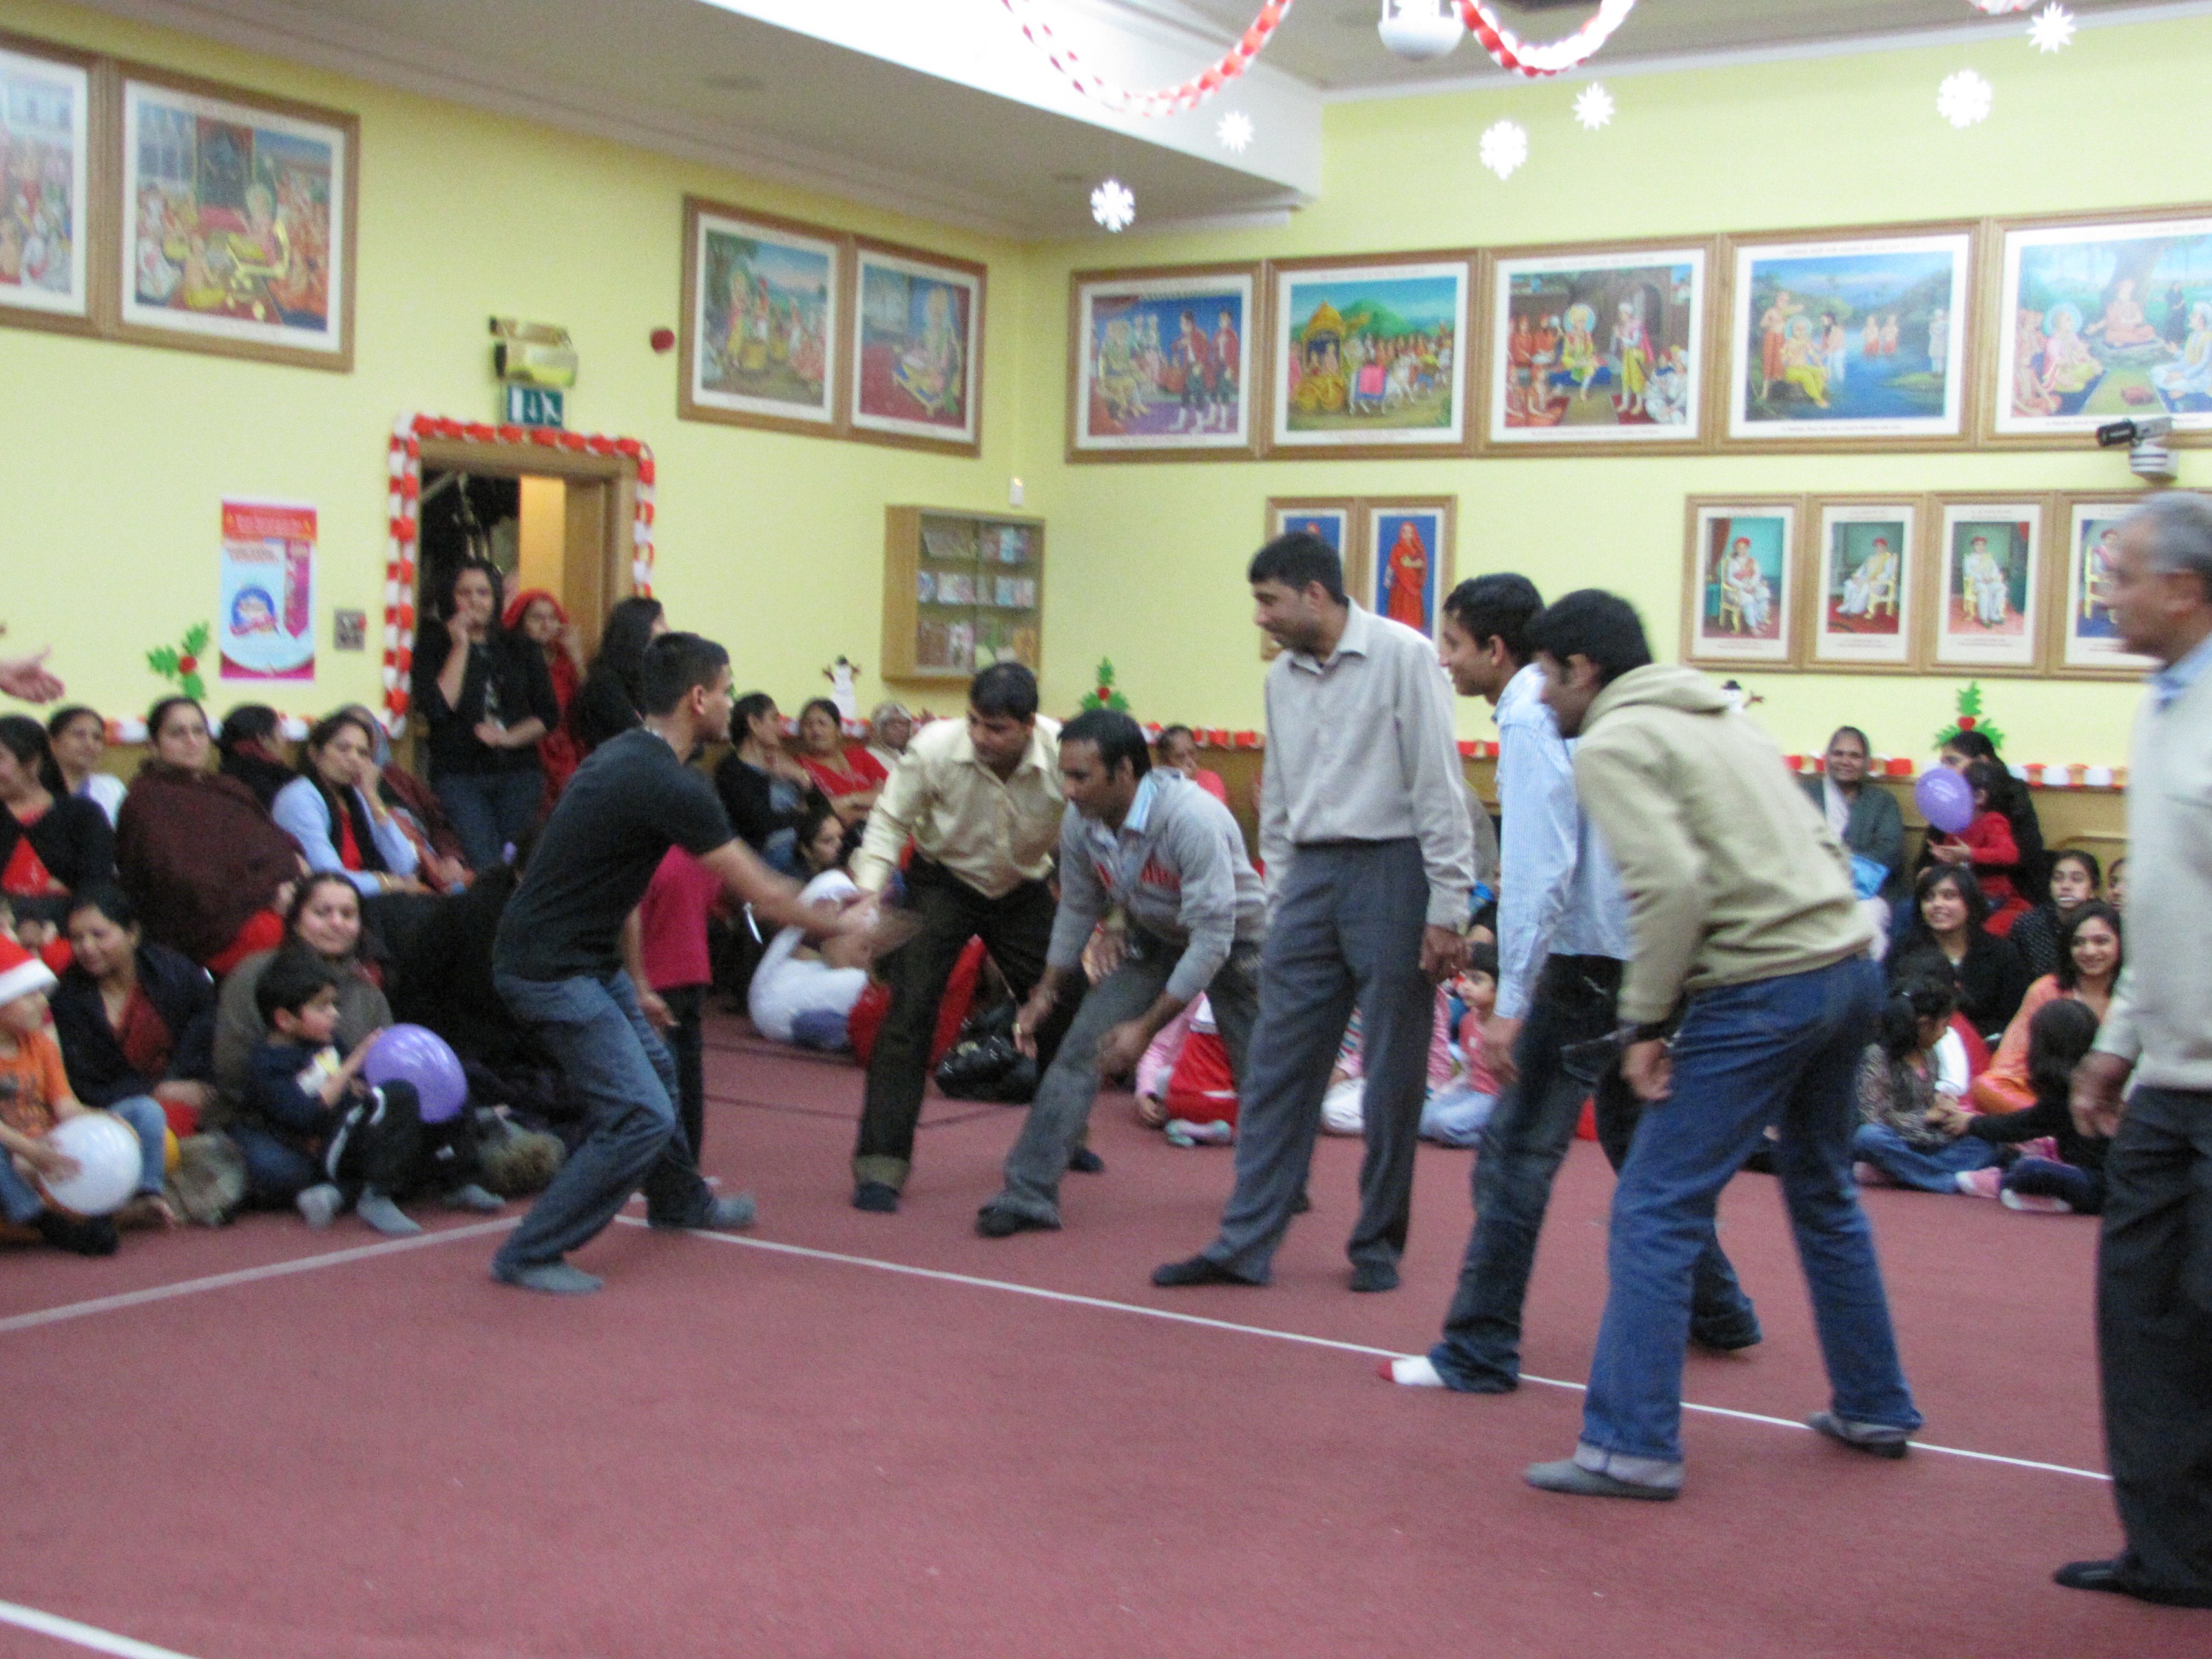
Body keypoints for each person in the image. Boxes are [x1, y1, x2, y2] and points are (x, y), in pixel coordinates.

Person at [1510, 591, 1916, 1501]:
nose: (1538, 695)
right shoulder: (1722, 713)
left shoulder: (1612, 743)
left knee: (1654, 1207)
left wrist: (1646, 1024)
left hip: (1764, 986)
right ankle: (1876, 1405)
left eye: (1543, 673)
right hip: (1848, 966)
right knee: (1823, 1190)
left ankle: (1630, 1447)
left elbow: (1671, 888)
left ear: (1582, 669)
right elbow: (1820, 844)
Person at [1388, 574, 1754, 1394]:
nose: (1444, 661)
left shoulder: (1529, 712)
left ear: (1498, 650)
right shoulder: (1624, 712)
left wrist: (1512, 1004)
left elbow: (1542, 867)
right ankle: (1722, 1310)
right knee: (1633, 1139)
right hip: (1647, 955)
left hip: (1588, 961)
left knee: (1515, 1155)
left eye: (1453, 644)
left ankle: (1479, 1349)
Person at [490, 632, 867, 1294]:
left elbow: (620, 888)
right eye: (726, 690)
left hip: (584, 958)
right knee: (640, 1114)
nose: (731, 703)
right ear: (699, 698)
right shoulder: (664, 781)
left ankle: (678, 1200)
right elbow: (764, 891)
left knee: (660, 1073)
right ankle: (528, 1251)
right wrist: (847, 923)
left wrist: (636, 981)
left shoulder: (630, 758)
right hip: (548, 970)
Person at [1153, 532, 1473, 1295]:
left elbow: (1439, 785)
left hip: (1395, 868)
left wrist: (1448, 906)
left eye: (1269, 601)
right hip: (1309, 877)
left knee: (1392, 1072)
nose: (1260, 617)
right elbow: (1282, 794)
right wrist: (1281, 892)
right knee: (1276, 1062)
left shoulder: (1403, 655)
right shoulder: (1283, 678)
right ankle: (1244, 1243)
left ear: (1316, 595)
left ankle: (1377, 1245)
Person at [2059, 490, 2212, 1607]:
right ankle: (2173, 1554)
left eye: (2121, 576)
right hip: (2166, 1076)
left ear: (2186, 589)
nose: (2106, 594)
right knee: (2144, 1314)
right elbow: (2161, 903)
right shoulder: (2162, 705)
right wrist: (2117, 1039)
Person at [978, 709, 1267, 1237]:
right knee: (1080, 1047)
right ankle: (1028, 1194)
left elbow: (1212, 941)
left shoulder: (1192, 819)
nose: (1068, 790)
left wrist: (1145, 1028)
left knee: (1260, 1072)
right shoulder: (1080, 821)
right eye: (1064, 775)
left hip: (1236, 941)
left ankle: (1277, 1185)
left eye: (1081, 777)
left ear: (1126, 772)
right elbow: (1077, 907)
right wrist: (1046, 991)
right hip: (1155, 936)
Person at [848, 662, 1068, 1214]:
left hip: (1022, 886)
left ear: (1028, 726)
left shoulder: (1064, 752)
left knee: (1066, 1004)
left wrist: (1102, 918)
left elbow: (1094, 831)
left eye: (997, 728)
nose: (981, 736)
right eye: (974, 722)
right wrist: (868, 894)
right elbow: (888, 822)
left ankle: (1064, 1137)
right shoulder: (933, 748)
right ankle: (880, 1163)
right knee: (908, 1012)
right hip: (942, 881)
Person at [0, 936, 173, 1254]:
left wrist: (103, 1120)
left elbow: (65, 1106)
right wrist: (32, 1152)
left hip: (52, 1145)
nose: (42, 1003)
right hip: (15, 1155)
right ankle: (40, 1219)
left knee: (145, 1111)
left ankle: (144, 1196)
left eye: (41, 993)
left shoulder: (41, 1045)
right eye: (29, 995)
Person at [238, 949, 423, 1234]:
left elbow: (357, 1084)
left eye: (334, 1005)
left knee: (409, 1121)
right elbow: (306, 1115)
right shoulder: (269, 1063)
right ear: (285, 1019)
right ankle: (373, 1196)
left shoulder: (327, 1041)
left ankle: (335, 1195)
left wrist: (359, 1081)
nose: (334, 1014)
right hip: (319, 1146)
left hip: (348, 1132)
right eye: (322, 1007)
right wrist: (353, 1063)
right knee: (398, 1098)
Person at [116, 696, 298, 975]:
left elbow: (276, 845)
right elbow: (185, 882)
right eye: (178, 733)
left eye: (199, 731)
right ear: (153, 744)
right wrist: (268, 893)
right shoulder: (145, 801)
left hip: (273, 901)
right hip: (209, 930)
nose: (192, 741)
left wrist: (291, 879)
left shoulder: (228, 789)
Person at [409, 560, 560, 872]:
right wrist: (461, 646)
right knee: (483, 863)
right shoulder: (433, 644)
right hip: (458, 774)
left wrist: (507, 738)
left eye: (483, 593)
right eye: (464, 593)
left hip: (518, 773)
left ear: (496, 599)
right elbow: (437, 706)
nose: (474, 601)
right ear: (451, 597)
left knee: (516, 862)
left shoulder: (521, 646)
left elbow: (548, 714)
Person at [50, 884, 217, 1135]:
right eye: (77, 938)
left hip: (194, 1094)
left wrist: (189, 1085)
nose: (87, 948)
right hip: (117, 1116)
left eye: (99, 935)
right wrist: (157, 1091)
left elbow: (206, 1031)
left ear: (133, 933)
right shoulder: (67, 1001)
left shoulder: (174, 974)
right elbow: (84, 1085)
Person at [1848, 971, 1997, 1192]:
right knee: (1869, 1137)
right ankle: (1950, 1182)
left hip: (1926, 1143)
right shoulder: (1878, 1056)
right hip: (1896, 1140)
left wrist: (1947, 1113)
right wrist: (1927, 1116)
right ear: (1925, 1024)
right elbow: (1874, 1117)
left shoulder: (1931, 1054)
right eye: (1944, 1026)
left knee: (1987, 1140)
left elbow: (1932, 1109)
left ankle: (1896, 1173)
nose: (1945, 1034)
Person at [1955, 998, 2108, 1213]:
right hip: (2100, 1176)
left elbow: (2021, 1125)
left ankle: (2004, 1182)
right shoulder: (2091, 1080)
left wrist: (1971, 1123)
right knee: (2020, 1154)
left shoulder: (2070, 1092)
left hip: (2100, 1185)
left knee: (2031, 1168)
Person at [1969, 901, 2121, 1113]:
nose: (2089, 951)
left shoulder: (2136, 994)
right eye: (2078, 943)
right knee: (1986, 1087)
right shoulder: (2046, 990)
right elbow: (2006, 1068)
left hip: (2115, 1103)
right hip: (2048, 1102)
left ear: (2121, 944)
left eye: (2101, 941)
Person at [271, 709, 428, 901]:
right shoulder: (299, 797)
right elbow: (329, 877)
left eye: (362, 753)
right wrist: (386, 883)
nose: (354, 759)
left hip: (367, 897)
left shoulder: (357, 797)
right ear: (314, 754)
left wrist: (373, 799)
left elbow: (405, 864)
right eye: (343, 748)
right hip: (327, 902)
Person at [748, 805, 869, 1052]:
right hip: (775, 996)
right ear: (806, 847)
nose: (837, 846)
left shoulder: (831, 885)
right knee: (867, 983)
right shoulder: (830, 886)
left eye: (839, 839)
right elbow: (841, 959)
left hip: (779, 993)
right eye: (827, 840)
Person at [0, 714, 116, 937]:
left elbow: (96, 890)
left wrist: (37, 916)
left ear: (32, 763)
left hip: (70, 936)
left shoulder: (83, 815)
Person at [1889, 867, 2029, 1046]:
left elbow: (2013, 1017)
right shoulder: (1905, 949)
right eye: (1929, 898)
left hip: (1987, 1047)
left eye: (1949, 896)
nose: (1937, 904)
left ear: (1970, 902)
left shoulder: (2001, 953)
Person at [714, 693, 820, 876]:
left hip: (803, 851)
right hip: (763, 862)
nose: (782, 726)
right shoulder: (731, 771)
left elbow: (822, 810)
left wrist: (802, 778)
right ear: (754, 724)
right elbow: (759, 823)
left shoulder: (783, 762)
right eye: (775, 719)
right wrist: (801, 815)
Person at [1803, 726, 1905, 906]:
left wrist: (1842, 866)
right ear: (1827, 757)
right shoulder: (1804, 795)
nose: (1845, 761)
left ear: (1867, 762)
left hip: (1866, 892)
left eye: (1855, 756)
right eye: (1838, 754)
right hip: (1811, 886)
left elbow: (1889, 851)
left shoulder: (1883, 802)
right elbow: (1790, 841)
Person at [1924, 758, 2028, 932]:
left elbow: (2010, 854)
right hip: (1959, 893)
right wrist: (1942, 861)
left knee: (1968, 923)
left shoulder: (1993, 821)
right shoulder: (1954, 824)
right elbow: (1955, 865)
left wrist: (1971, 854)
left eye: (1959, 792)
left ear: (1979, 796)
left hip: (1989, 895)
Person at [506, 588, 586, 803]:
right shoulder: (511, 662)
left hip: (564, 754)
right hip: (527, 752)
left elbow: (588, 702)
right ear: (521, 622)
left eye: (552, 618)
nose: (546, 625)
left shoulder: (564, 663)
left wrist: (577, 657)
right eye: (537, 618)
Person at [567, 595, 666, 758]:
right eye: (660, 621)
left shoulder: (649, 675)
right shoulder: (604, 682)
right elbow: (635, 732)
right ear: (639, 628)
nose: (668, 629)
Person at [2006, 848, 2100, 981]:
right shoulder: (2028, 925)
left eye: (2077, 879)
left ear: (2093, 889)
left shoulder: (2104, 923)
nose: (2065, 886)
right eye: (2058, 879)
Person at [793, 697, 888, 826]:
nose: (816, 730)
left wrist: (850, 801)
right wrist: (864, 800)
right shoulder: (799, 765)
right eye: (808, 725)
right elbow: (812, 810)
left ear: (838, 730)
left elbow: (892, 795)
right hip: (841, 835)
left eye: (822, 723)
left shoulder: (859, 756)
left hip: (885, 829)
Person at [44, 706, 127, 827]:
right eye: (79, 735)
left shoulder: (112, 788)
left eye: (97, 738)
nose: (90, 744)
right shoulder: (36, 791)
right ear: (52, 742)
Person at [215, 705, 294, 810]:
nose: (286, 739)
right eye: (281, 731)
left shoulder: (221, 779)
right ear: (262, 738)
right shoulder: (280, 784)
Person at [1155, 724, 1229, 806]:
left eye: (1192, 753)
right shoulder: (1159, 783)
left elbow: (1214, 811)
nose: (1189, 761)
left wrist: (1191, 782)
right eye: (1181, 756)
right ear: (1166, 762)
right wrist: (1184, 782)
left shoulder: (1211, 779)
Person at [864, 702, 913, 776]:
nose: (900, 729)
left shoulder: (908, 755)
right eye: (893, 723)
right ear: (877, 727)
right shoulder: (869, 756)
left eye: (904, 724)